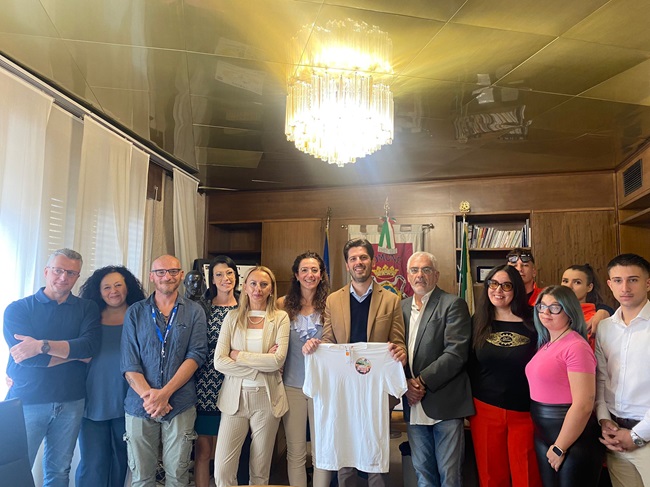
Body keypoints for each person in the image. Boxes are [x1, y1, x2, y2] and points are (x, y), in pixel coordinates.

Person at [303, 238, 406, 487]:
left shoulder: (391, 299)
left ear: (372, 261)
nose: (358, 262)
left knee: (375, 449)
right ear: (347, 264)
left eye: (363, 257)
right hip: (343, 390)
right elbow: (328, 340)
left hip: (374, 389)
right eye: (353, 259)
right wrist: (316, 347)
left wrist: (400, 352)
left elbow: (398, 342)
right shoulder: (333, 300)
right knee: (344, 448)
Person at [3, 248, 101, 487]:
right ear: (47, 271)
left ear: (78, 276)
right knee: (15, 471)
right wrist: (74, 354)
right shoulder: (18, 309)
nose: (63, 277)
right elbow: (27, 358)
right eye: (58, 270)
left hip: (71, 401)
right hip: (26, 401)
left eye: (71, 273)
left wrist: (40, 345)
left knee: (59, 471)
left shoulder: (87, 308)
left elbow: (89, 348)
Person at [121, 254, 207, 487]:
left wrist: (165, 394)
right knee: (142, 477)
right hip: (140, 406)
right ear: (152, 276)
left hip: (179, 404)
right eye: (160, 272)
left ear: (181, 275)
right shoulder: (135, 312)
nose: (167, 277)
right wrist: (151, 398)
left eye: (173, 271)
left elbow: (196, 355)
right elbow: (129, 363)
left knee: (178, 477)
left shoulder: (195, 311)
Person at [401, 251, 473, 487]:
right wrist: (405, 384)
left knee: (449, 476)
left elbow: (456, 353)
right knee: (423, 474)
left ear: (436, 275)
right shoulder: (400, 308)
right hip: (413, 403)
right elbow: (393, 351)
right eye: (414, 270)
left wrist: (420, 381)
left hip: (445, 403)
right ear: (407, 275)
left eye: (426, 270)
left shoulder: (453, 304)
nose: (420, 275)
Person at [213, 266, 290, 487]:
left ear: (271, 289)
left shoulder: (281, 318)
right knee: (222, 470)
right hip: (234, 399)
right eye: (253, 283)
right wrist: (261, 366)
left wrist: (239, 356)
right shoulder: (232, 317)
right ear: (245, 287)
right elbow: (220, 362)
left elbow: (278, 361)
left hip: (267, 399)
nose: (258, 289)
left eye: (264, 284)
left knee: (260, 472)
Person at [468, 264, 541, 487]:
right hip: (485, 409)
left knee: (527, 476)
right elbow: (469, 365)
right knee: (491, 476)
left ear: (516, 289)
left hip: (525, 411)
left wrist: (602, 311)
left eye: (506, 285)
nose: (498, 290)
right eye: (493, 284)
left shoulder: (536, 319)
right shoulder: (478, 321)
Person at [76, 265, 146, 487]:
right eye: (106, 287)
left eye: (118, 285)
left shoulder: (141, 316)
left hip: (130, 400)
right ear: (98, 291)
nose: (113, 291)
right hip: (93, 398)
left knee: (121, 461)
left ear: (128, 288)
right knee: (93, 463)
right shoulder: (89, 317)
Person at [526, 285, 603, 486]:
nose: (546, 312)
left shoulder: (576, 346)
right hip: (545, 435)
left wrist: (560, 446)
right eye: (542, 306)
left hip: (571, 439)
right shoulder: (547, 343)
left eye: (554, 307)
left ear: (569, 311)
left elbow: (584, 404)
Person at [277, 251, 331, 487]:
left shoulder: (332, 304)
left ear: (321, 275)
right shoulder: (281, 304)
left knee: (322, 451)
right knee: (296, 451)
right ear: (296, 275)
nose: (310, 275)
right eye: (304, 270)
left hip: (323, 388)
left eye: (315, 270)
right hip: (292, 386)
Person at [596, 253, 650, 487]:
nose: (625, 288)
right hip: (615, 435)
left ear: (648, 283)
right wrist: (604, 419)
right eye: (618, 280)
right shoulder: (605, 327)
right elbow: (601, 378)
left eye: (633, 280)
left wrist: (637, 436)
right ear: (610, 284)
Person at [193, 256, 239, 487]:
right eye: (219, 274)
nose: (225, 278)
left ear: (236, 276)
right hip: (205, 383)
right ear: (211, 279)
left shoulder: (245, 306)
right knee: (203, 450)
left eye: (229, 273)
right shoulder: (202, 308)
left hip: (235, 382)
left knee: (226, 451)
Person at [561, 264, 613, 349]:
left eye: (577, 282)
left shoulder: (593, 319)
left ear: (589, 287)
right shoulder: (549, 313)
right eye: (565, 281)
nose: (569, 286)